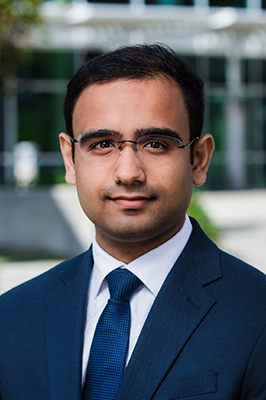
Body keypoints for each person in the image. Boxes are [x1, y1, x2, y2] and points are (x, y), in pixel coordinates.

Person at [1, 44, 266, 400]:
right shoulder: (12, 317)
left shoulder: (257, 315)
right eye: (102, 144)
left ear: (199, 159)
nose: (128, 173)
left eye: (156, 144)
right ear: (70, 158)